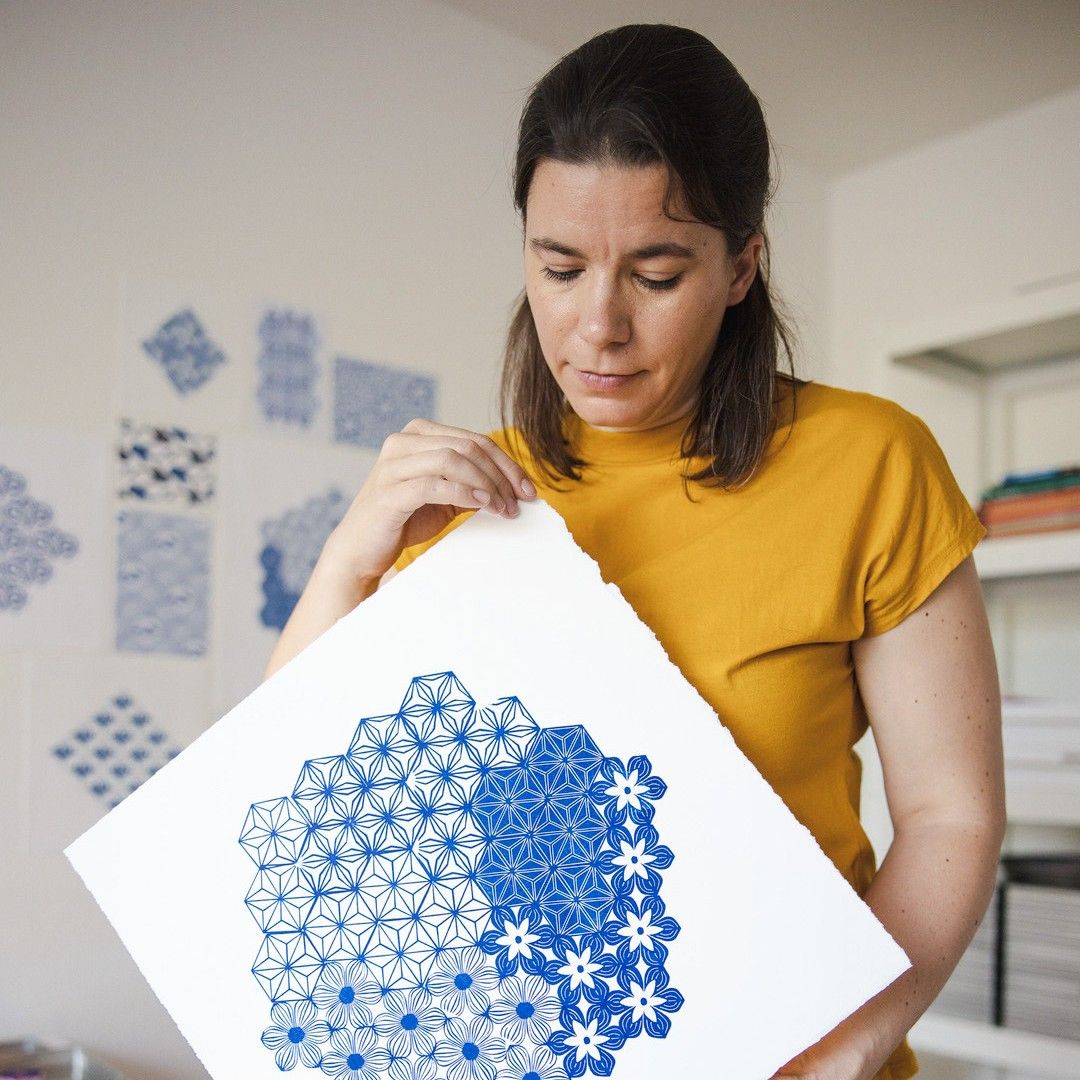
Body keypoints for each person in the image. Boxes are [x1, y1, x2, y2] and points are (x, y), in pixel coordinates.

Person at [265, 23, 1005, 1080]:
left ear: (742, 266)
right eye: (560, 268)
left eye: (655, 275)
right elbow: (299, 793)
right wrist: (349, 558)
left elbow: (950, 816)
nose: (597, 325)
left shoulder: (869, 462)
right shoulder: (465, 499)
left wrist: (840, 1054)